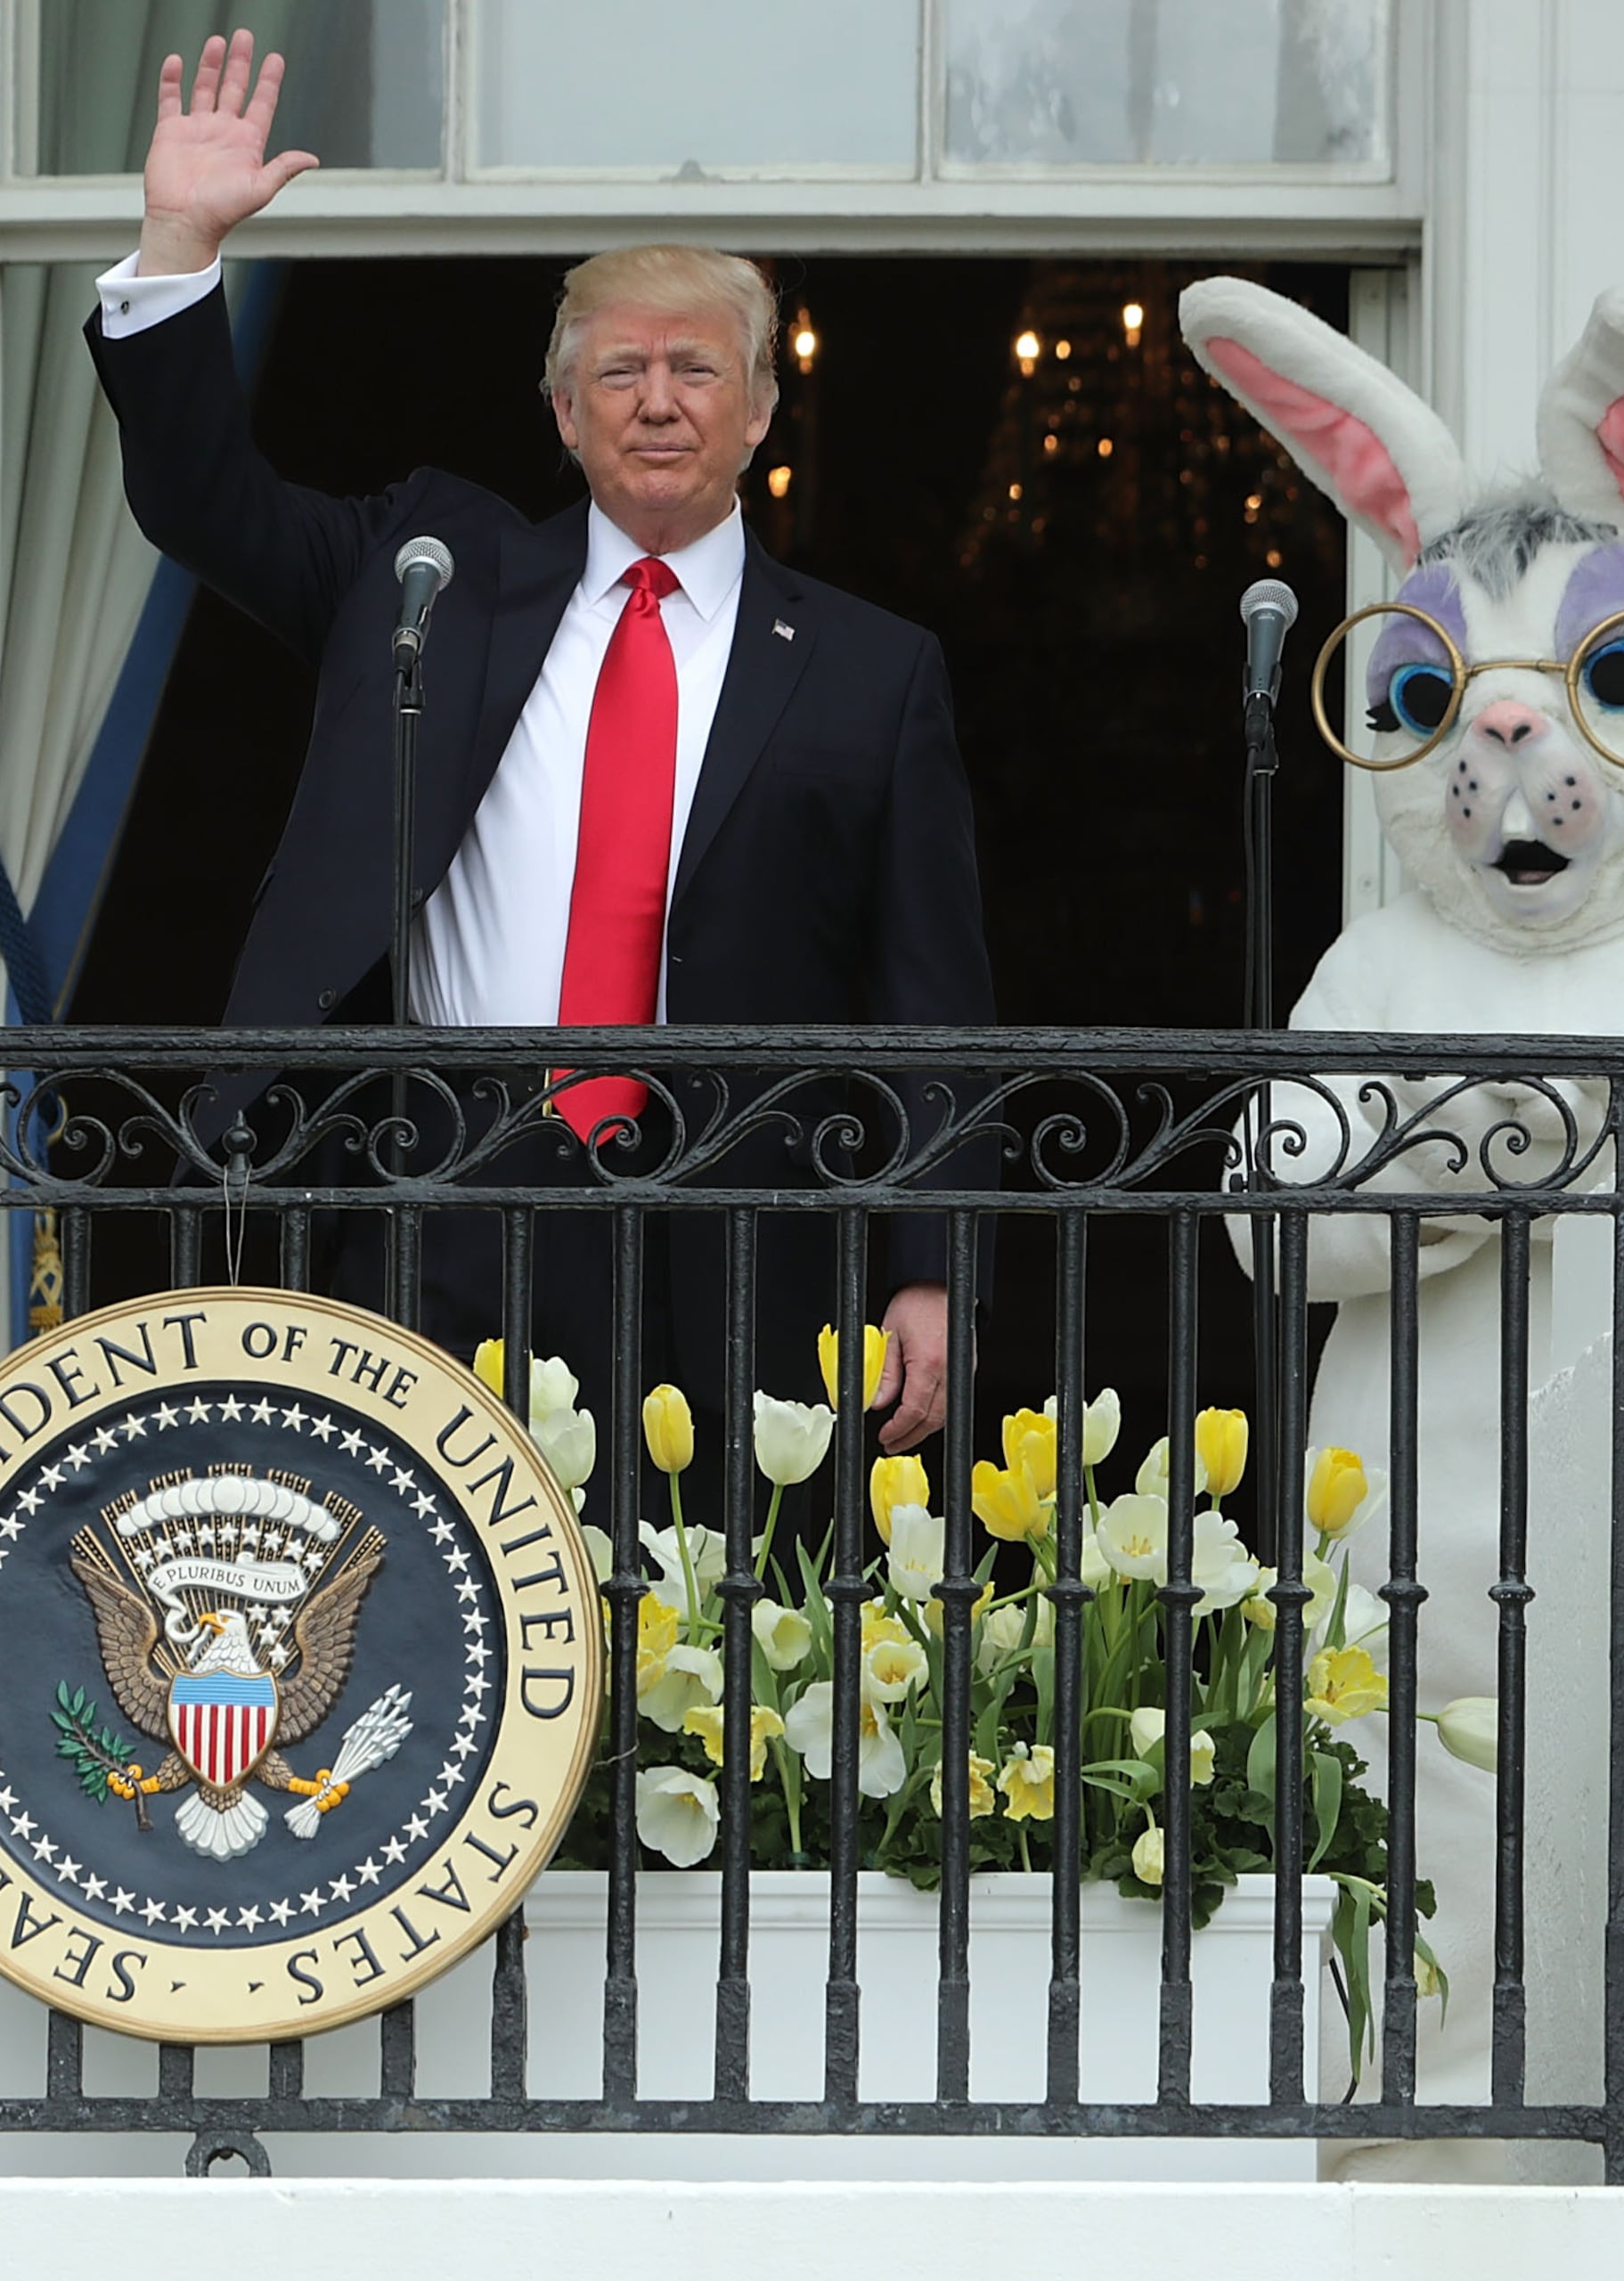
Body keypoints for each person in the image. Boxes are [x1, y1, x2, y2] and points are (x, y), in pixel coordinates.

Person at [86, 36, 993, 1472]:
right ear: (564, 415)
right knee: (439, 1619)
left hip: (736, 1216)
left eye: (697, 368)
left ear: (759, 413)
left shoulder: (874, 672)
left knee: (711, 1638)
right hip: (444, 1190)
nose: (657, 399)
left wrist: (932, 1261)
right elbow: (208, 502)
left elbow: (931, 997)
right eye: (618, 370)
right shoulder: (428, 573)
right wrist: (180, 248)